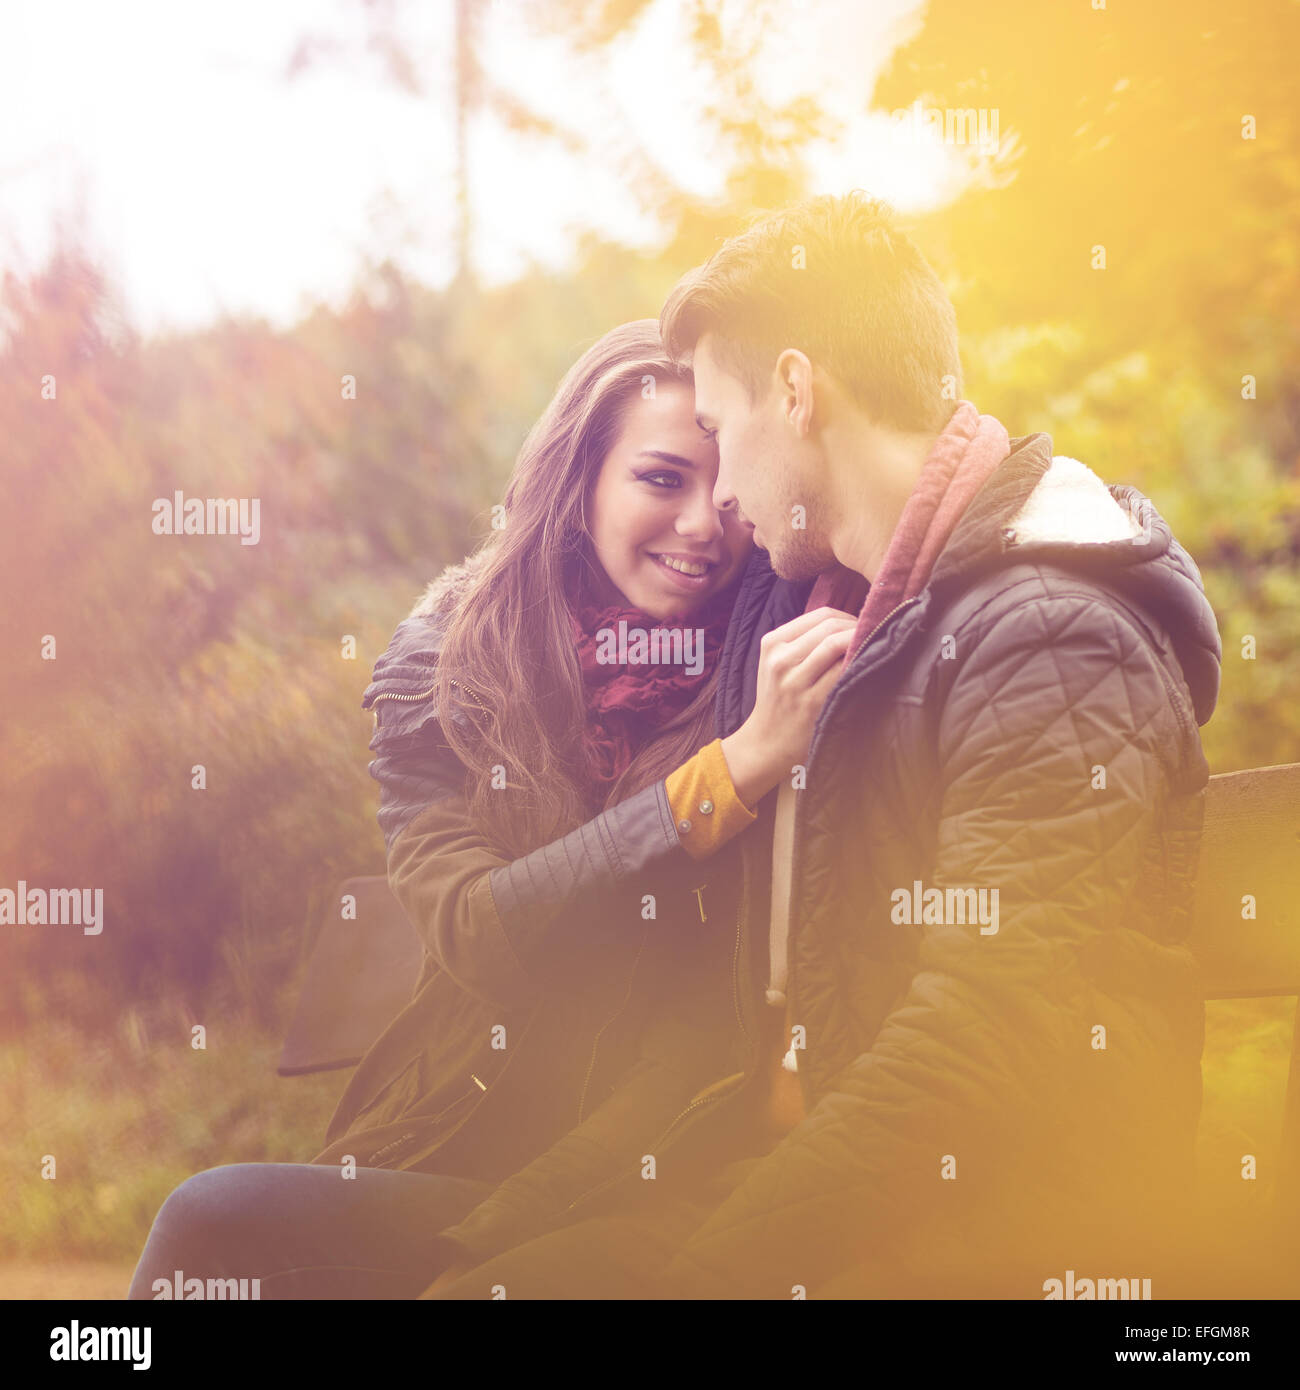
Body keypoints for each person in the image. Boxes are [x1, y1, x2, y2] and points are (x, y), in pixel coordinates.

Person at [421, 192, 1223, 1300]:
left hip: (990, 1224)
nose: (724, 500)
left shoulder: (1050, 634)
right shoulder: (826, 602)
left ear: (796, 391)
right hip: (798, 1178)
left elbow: (977, 1042)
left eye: (715, 430)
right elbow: (559, 572)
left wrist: (711, 1273)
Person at [126, 318, 853, 1299]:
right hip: (461, 1148)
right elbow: (482, 932)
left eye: (724, 486)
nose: (702, 524)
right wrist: (728, 774)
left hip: (651, 1172)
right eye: (660, 478)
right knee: (212, 1223)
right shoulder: (445, 672)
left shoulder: (765, 658)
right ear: (576, 483)